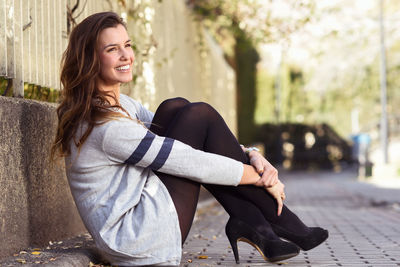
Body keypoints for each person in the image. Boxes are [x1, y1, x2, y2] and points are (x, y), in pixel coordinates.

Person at [51, 11, 328, 266]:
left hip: (139, 217)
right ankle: (274, 219)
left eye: (128, 45)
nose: (126, 56)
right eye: (112, 49)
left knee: (176, 107)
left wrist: (253, 154)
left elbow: (201, 142)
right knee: (199, 115)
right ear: (90, 59)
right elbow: (188, 160)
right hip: (139, 240)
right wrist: (258, 177)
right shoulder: (106, 125)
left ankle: (257, 221)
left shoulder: (121, 105)